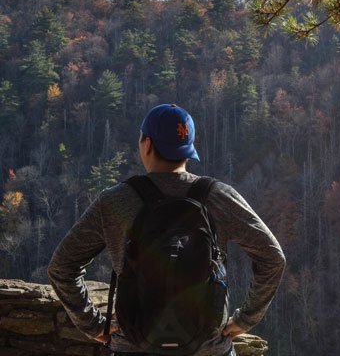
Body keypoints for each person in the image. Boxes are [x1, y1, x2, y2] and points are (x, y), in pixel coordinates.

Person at [48, 103, 286, 355]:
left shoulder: (115, 201)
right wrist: (245, 319)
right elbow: (272, 258)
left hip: (134, 346)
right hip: (207, 348)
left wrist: (94, 326)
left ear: (147, 144)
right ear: (188, 149)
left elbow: (62, 267)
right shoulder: (219, 196)